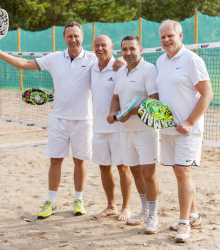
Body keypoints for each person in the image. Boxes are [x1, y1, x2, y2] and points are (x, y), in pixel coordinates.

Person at [0, 22, 124, 219]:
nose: (73, 39)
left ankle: (78, 199)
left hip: (83, 119)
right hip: (58, 119)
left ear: (82, 37)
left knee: (80, 162)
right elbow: (26, 64)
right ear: (64, 38)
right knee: (55, 161)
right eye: (69, 36)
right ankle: (51, 201)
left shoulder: (93, 59)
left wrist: (120, 60)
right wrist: (0, 54)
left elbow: (111, 60)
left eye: (76, 36)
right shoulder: (54, 58)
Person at [156, 20, 213, 243]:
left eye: (170, 35)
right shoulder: (161, 60)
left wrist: (189, 122)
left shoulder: (192, 60)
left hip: (188, 129)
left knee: (182, 172)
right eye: (162, 37)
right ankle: (194, 216)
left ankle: (183, 223)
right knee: (180, 173)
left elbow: (207, 94)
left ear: (180, 35)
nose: (166, 40)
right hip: (168, 129)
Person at [107, 35, 159, 234]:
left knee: (148, 173)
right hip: (126, 131)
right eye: (124, 49)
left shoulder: (149, 70)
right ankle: (145, 210)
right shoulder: (121, 72)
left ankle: (154, 216)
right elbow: (116, 97)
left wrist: (128, 113)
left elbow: (154, 102)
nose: (128, 53)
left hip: (146, 130)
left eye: (132, 49)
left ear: (141, 49)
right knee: (135, 172)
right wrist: (113, 112)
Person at [91, 35, 132, 221]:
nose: (100, 49)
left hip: (117, 126)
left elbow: (138, 64)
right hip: (98, 127)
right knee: (104, 167)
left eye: (104, 45)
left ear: (112, 47)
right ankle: (111, 206)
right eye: (97, 45)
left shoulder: (119, 66)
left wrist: (123, 59)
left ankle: (126, 207)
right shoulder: (91, 66)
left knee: (123, 167)